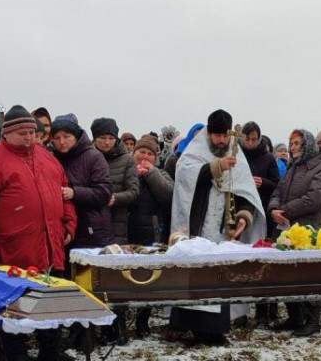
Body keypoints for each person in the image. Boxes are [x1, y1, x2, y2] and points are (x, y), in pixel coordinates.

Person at [0, 105, 77, 361]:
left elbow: (65, 195)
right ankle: (14, 353)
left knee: (48, 299)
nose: (29, 137)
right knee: (14, 305)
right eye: (23, 133)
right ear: (7, 134)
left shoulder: (48, 159)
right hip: (12, 249)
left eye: (32, 132)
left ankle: (51, 349)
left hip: (50, 245)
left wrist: (68, 227)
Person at [169, 109, 266, 345]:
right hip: (198, 228)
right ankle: (190, 327)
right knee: (195, 276)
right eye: (216, 135)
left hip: (224, 230)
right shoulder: (194, 152)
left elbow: (245, 190)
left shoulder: (237, 155)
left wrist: (244, 216)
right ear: (209, 134)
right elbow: (184, 176)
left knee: (219, 277)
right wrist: (216, 166)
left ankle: (215, 330)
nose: (221, 140)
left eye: (225, 135)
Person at [268, 129, 321, 337]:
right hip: (287, 230)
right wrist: (273, 209)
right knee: (287, 274)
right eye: (291, 143)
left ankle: (313, 320)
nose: (292, 147)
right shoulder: (292, 167)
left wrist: (285, 211)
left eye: (297, 143)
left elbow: (316, 198)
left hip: (309, 229)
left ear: (308, 146)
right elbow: (278, 190)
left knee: (309, 275)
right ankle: (295, 316)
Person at [127, 135, 175, 337]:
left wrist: (150, 174)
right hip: (127, 230)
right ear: (134, 153)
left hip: (151, 231)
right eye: (141, 152)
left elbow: (170, 195)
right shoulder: (126, 171)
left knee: (149, 277)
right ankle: (120, 322)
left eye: (149, 153)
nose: (145, 157)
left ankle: (142, 320)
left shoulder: (161, 173)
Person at [51, 114, 114, 250]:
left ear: (76, 136)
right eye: (57, 138)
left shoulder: (94, 157)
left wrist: (75, 193)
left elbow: (104, 192)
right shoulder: (51, 159)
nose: (62, 141)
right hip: (62, 230)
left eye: (66, 136)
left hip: (92, 232)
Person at [91, 117, 139, 245]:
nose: (107, 142)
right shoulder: (87, 157)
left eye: (111, 138)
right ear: (95, 138)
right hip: (90, 222)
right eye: (102, 138)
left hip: (117, 223)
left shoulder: (127, 160)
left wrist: (116, 198)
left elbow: (133, 191)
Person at [240, 121, 280, 240]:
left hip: (262, 207)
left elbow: (277, 185)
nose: (251, 143)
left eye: (254, 139)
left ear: (259, 139)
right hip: (241, 206)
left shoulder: (268, 158)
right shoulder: (238, 156)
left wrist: (263, 182)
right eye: (247, 139)